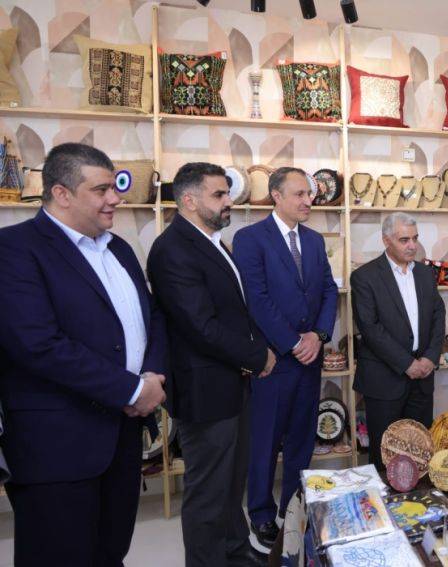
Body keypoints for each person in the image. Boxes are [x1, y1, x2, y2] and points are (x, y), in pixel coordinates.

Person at [0, 143, 168, 566]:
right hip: (57, 445)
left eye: (114, 187)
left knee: (110, 553)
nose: (115, 198)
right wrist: (132, 390)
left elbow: (152, 317)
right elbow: (37, 344)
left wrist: (153, 375)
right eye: (101, 190)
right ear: (61, 193)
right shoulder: (15, 248)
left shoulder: (119, 248)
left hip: (122, 438)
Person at [147, 162, 274, 567]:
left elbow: (234, 311)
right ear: (188, 200)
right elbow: (201, 326)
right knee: (208, 494)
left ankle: (235, 553)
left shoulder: (212, 242)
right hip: (204, 392)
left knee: (231, 484)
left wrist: (254, 352)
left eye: (227, 193)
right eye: (218, 194)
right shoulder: (172, 249)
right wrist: (257, 356)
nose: (228, 200)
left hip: (232, 384)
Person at [233, 167, 338, 550]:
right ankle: (261, 515)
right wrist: (294, 342)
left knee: (301, 439)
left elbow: (329, 290)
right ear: (276, 195)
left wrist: (318, 336)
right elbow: (256, 299)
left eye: (310, 194)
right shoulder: (249, 239)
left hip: (310, 358)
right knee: (265, 440)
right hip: (273, 361)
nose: (308, 200)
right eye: (300, 194)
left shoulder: (314, 240)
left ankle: (293, 508)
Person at [350, 212, 445, 467]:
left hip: (423, 377)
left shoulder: (425, 273)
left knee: (420, 453)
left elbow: (438, 315)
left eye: (415, 238)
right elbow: (370, 329)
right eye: (404, 240)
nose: (412, 245)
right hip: (384, 381)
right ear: (386, 240)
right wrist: (407, 363)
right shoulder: (364, 277)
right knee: (385, 456)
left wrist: (430, 357)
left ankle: (419, 494)